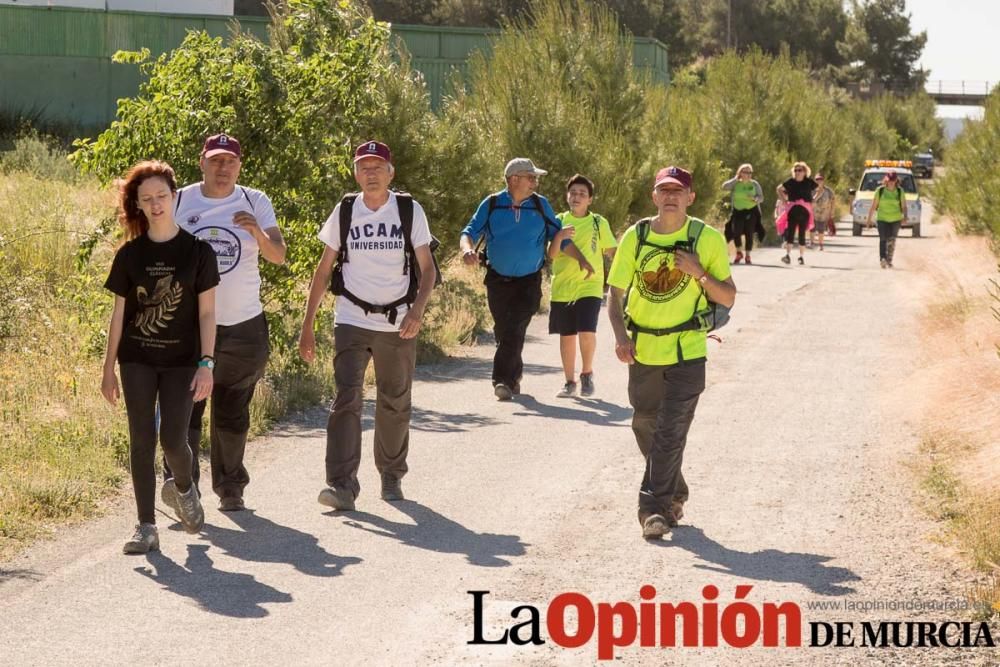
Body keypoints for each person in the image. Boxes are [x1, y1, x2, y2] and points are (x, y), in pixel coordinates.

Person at [299, 140, 436, 510]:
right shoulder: (345, 210)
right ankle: (341, 485)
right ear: (355, 173)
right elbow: (324, 269)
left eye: (377, 166)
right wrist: (307, 323)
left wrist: (417, 311)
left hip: (397, 323)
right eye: (364, 167)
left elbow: (428, 270)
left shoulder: (409, 210)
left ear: (391, 173)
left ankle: (391, 476)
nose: (370, 173)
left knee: (395, 401)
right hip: (351, 318)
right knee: (346, 399)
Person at [606, 166, 736, 540]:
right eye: (664, 190)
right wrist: (620, 336)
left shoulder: (705, 238)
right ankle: (675, 492)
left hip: (687, 349)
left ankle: (652, 510)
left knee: (670, 429)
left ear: (691, 198)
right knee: (645, 424)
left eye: (678, 191)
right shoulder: (638, 235)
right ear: (654, 196)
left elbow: (727, 296)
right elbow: (614, 295)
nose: (671, 196)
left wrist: (698, 273)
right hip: (644, 349)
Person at [163, 133, 286, 513]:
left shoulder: (255, 200)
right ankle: (183, 488)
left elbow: (279, 255)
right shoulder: (179, 200)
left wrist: (256, 232)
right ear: (201, 162)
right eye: (215, 160)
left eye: (230, 161)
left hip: (243, 325)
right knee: (185, 410)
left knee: (233, 409)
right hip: (188, 326)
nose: (222, 167)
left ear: (239, 165)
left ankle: (231, 488)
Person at [101, 160, 219, 554]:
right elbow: (119, 315)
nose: (155, 205)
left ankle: (184, 488)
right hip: (136, 359)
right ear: (138, 204)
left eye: (161, 197)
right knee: (141, 439)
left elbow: (206, 312)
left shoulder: (198, 252)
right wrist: (107, 370)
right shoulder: (129, 255)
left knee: (172, 438)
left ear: (174, 197)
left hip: (183, 360)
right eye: (147, 199)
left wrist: (207, 362)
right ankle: (146, 526)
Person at [459, 158, 593, 401]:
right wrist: (467, 250)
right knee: (505, 331)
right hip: (497, 279)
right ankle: (514, 376)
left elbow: (559, 236)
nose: (535, 181)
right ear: (514, 180)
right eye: (531, 177)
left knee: (514, 328)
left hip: (529, 281)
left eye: (535, 177)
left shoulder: (540, 205)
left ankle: (502, 381)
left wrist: (581, 259)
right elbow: (468, 232)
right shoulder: (492, 204)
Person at [548, 174, 617, 398]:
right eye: (573, 193)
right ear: (567, 196)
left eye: (582, 194)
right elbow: (552, 255)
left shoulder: (599, 223)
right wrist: (559, 236)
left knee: (587, 330)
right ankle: (569, 381)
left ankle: (587, 373)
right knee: (567, 336)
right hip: (563, 287)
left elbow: (612, 252)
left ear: (590, 200)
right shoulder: (557, 220)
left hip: (591, 285)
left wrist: (620, 279)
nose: (577, 197)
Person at [776, 162, 818, 265]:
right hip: (793, 209)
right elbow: (779, 189)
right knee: (790, 233)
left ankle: (801, 256)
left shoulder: (808, 182)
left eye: (800, 170)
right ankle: (788, 255)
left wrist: (814, 199)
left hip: (804, 210)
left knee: (802, 234)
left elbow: (819, 189)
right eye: (795, 170)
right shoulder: (790, 182)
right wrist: (784, 200)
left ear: (805, 171)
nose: (797, 172)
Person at [721, 163, 763, 264]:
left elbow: (761, 197)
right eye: (746, 172)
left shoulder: (754, 184)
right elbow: (724, 187)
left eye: (750, 172)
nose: (748, 174)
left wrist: (755, 198)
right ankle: (739, 252)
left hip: (751, 211)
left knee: (749, 232)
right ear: (740, 173)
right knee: (736, 232)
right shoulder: (736, 184)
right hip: (737, 211)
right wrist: (735, 179)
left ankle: (748, 255)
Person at [865, 170, 908, 269]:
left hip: (895, 219)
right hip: (882, 218)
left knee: (892, 240)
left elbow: (904, 206)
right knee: (883, 238)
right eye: (889, 180)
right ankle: (882, 259)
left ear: (896, 180)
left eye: (893, 180)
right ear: (886, 180)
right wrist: (868, 220)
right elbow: (873, 205)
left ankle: (889, 260)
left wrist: (905, 217)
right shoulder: (880, 190)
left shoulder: (899, 191)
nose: (891, 182)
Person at [810, 172, 835, 251]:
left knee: (821, 230)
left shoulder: (828, 191)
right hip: (813, 212)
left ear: (823, 180)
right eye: (817, 179)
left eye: (821, 179)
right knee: (812, 228)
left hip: (823, 214)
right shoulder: (811, 190)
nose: (819, 180)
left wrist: (832, 212)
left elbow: (833, 201)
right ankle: (812, 243)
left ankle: (821, 245)